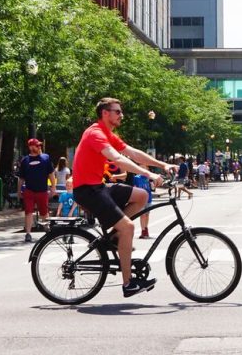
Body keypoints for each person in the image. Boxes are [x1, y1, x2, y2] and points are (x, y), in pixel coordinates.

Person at [72, 98, 177, 298]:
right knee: (128, 227)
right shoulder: (95, 133)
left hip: (98, 186)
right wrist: (149, 175)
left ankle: (113, 237)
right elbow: (117, 158)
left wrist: (162, 165)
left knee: (142, 195)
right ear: (105, 113)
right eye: (117, 111)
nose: (122, 115)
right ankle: (128, 284)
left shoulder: (108, 134)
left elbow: (132, 153)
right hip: (87, 191)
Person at [18, 138, 57, 243]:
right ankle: (28, 234)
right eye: (37, 145)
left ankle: (47, 230)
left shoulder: (45, 158)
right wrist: (19, 191)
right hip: (29, 190)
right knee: (28, 212)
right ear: (31, 147)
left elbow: (51, 174)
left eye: (39, 145)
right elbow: (21, 178)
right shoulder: (25, 161)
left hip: (42, 190)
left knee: (44, 212)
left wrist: (53, 187)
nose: (39, 147)